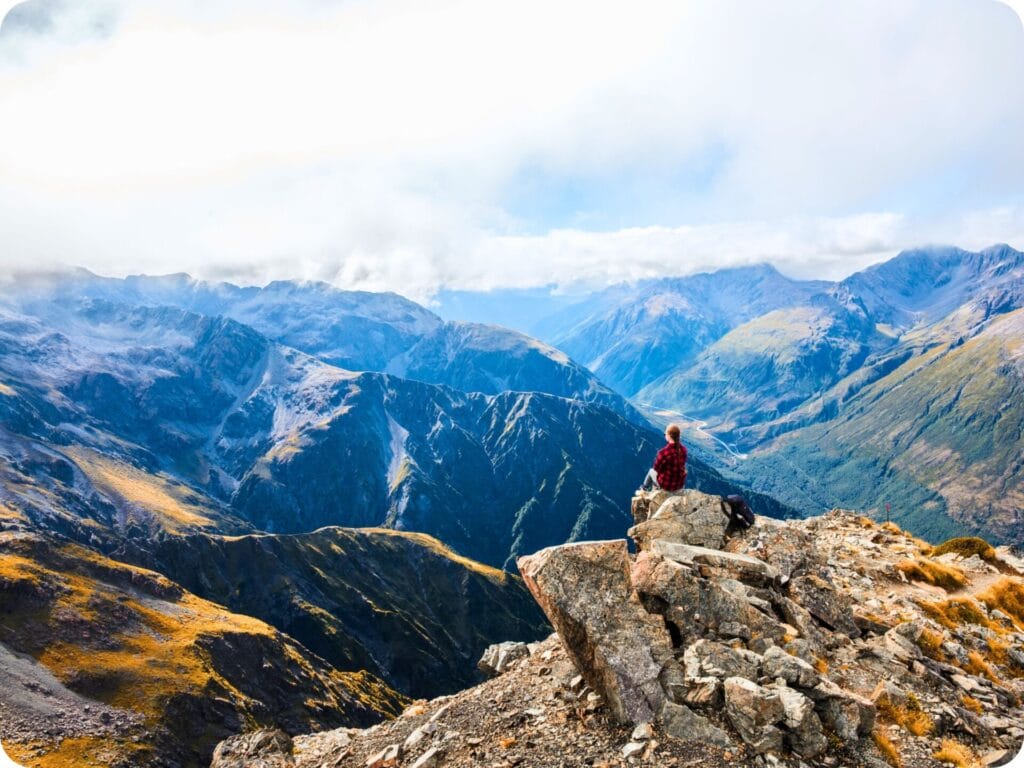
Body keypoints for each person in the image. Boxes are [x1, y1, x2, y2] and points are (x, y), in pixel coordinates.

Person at [641, 423, 688, 492]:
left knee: (651, 471)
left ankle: (644, 489)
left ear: (669, 436)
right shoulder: (684, 450)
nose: (665, 435)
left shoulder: (664, 452)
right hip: (679, 485)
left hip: (666, 486)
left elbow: (656, 469)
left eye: (665, 434)